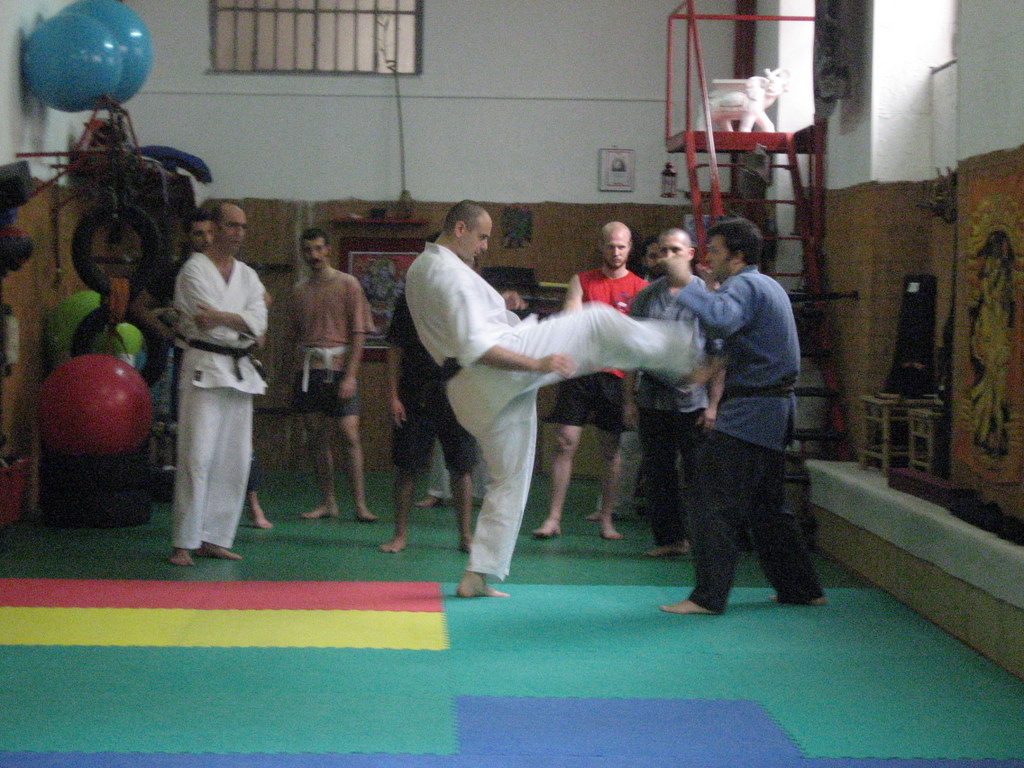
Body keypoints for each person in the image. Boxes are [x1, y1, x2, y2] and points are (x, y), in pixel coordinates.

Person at [404, 201, 702, 598]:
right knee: (595, 322)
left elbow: (462, 329)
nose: (485, 246)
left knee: (509, 479)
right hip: (494, 370)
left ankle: (478, 574)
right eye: (482, 236)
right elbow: (479, 348)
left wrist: (501, 308)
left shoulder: (422, 268)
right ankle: (693, 352)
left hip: (466, 389)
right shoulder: (449, 275)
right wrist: (537, 363)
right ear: (460, 228)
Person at [658, 216, 825, 615]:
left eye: (714, 251)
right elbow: (731, 342)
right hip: (770, 411)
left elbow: (721, 320)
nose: (708, 258)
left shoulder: (745, 285)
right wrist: (700, 374)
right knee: (767, 506)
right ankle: (801, 588)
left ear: (736, 256)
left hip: (751, 414)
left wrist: (685, 283)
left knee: (710, 500)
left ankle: (708, 597)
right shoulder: (766, 286)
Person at [533, 221, 647, 541]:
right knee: (564, 441)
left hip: (616, 377)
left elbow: (635, 337)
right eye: (610, 245)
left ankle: (606, 518)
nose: (616, 252)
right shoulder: (581, 280)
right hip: (580, 372)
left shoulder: (640, 287)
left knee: (611, 449)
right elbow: (572, 321)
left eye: (621, 246)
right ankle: (553, 518)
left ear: (629, 249)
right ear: (601, 246)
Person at [169, 202, 268, 566]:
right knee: (197, 456)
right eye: (232, 225)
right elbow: (204, 320)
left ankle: (214, 537)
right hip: (205, 367)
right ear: (213, 228)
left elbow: (259, 324)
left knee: (234, 460)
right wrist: (242, 321)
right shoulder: (193, 270)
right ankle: (184, 542)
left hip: (240, 373)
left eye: (243, 227)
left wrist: (226, 318)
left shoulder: (248, 275)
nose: (239, 233)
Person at [624, 228, 723, 557]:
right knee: (658, 472)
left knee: (698, 473)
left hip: (693, 400)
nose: (668, 256)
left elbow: (718, 354)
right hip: (652, 398)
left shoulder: (707, 296)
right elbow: (631, 350)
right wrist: (629, 399)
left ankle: (703, 540)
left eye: (675, 250)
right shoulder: (646, 296)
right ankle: (670, 539)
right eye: (663, 251)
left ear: (690, 253)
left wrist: (713, 405)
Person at [288, 227, 377, 523]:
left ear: (327, 250)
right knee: (316, 437)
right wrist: (291, 373)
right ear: (303, 253)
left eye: (318, 249)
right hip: (309, 371)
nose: (313, 255)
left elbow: (359, 332)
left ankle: (360, 505)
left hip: (339, 369)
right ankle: (328, 502)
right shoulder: (299, 290)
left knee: (349, 434)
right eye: (308, 250)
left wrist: (350, 376)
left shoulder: (348, 284)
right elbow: (295, 336)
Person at [381, 290, 477, 553]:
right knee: (407, 466)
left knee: (462, 466)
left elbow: (479, 347)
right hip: (415, 391)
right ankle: (399, 534)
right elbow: (395, 349)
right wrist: (393, 396)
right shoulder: (409, 299)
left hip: (456, 392)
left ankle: (466, 536)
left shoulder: (464, 297)